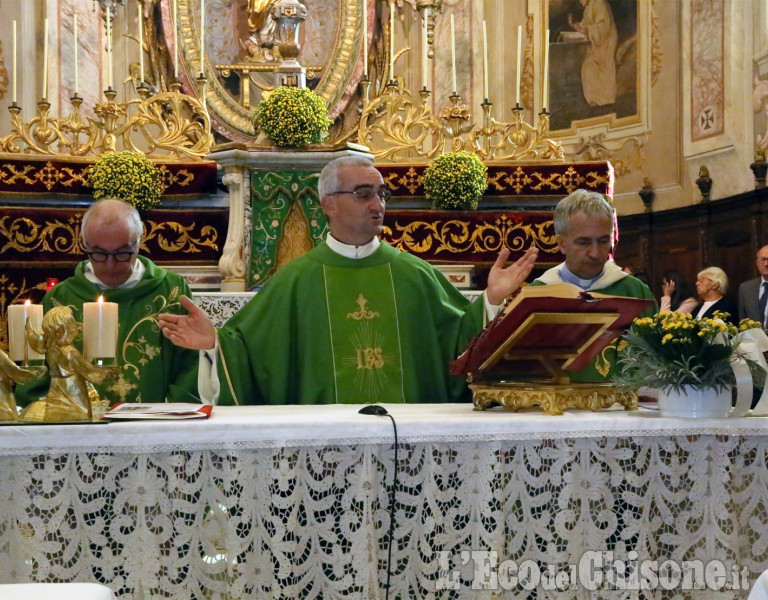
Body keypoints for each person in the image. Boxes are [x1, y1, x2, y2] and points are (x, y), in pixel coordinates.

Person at [158, 156, 539, 405]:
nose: (378, 204)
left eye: (380, 194)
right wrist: (214, 344)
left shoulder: (413, 274)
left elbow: (459, 342)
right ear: (329, 205)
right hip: (321, 447)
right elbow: (249, 352)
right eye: (363, 194)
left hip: (406, 443)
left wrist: (489, 300)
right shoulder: (295, 281)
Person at [15, 199, 200, 407]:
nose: (111, 265)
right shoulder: (61, 299)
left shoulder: (171, 290)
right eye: (99, 253)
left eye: (122, 253)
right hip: (81, 431)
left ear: (139, 242)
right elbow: (38, 373)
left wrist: (170, 416)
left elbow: (190, 364)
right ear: (84, 245)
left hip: (155, 428)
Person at [530, 189, 656, 381]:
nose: (596, 253)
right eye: (584, 242)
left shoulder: (635, 292)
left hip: (622, 408)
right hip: (554, 408)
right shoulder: (538, 295)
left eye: (604, 241)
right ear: (561, 243)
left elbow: (659, 362)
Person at [568, 0, 618, 107]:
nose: (580, 1)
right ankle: (594, 100)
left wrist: (588, 29)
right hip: (596, 44)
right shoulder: (589, 7)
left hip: (605, 43)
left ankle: (603, 99)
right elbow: (585, 26)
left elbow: (603, 26)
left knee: (590, 67)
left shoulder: (599, 4)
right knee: (589, 67)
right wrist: (575, 26)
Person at [739, 244, 768, 326]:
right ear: (757, 263)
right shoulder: (746, 288)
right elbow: (742, 323)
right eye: (762, 260)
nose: (766, 264)